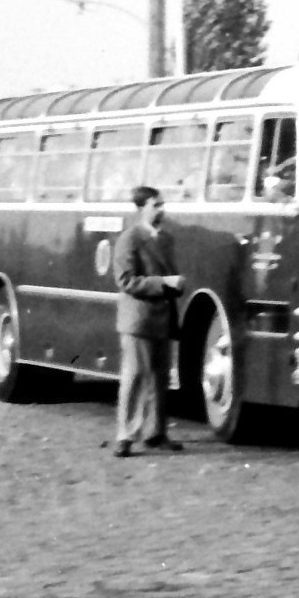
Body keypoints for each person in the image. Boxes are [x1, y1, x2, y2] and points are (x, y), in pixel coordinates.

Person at [110, 185, 186, 457]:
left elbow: (168, 277)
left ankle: (156, 433)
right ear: (142, 208)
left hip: (162, 320)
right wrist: (164, 282)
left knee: (159, 378)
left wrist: (176, 285)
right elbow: (126, 281)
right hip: (138, 321)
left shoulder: (166, 239)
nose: (162, 210)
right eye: (157, 205)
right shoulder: (129, 239)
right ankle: (125, 436)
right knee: (136, 375)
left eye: (163, 204)